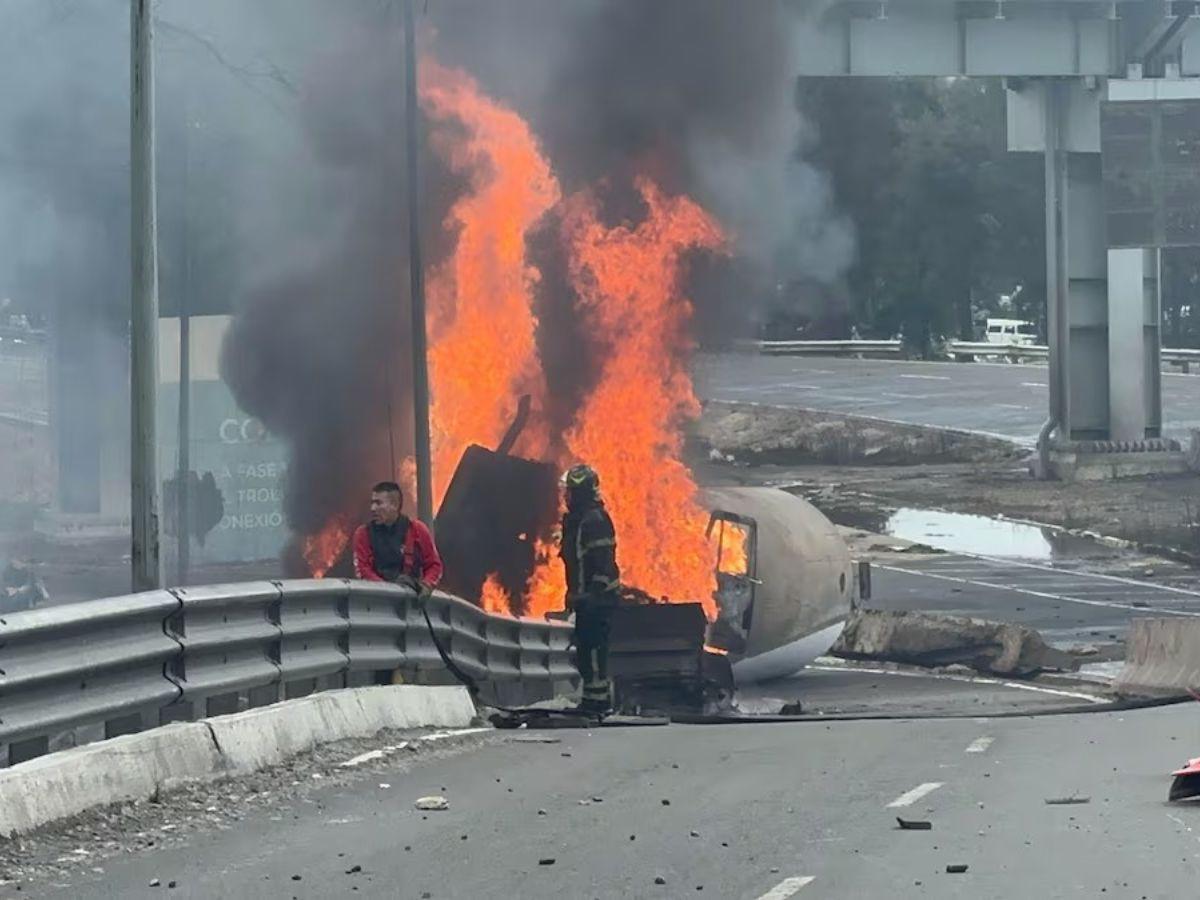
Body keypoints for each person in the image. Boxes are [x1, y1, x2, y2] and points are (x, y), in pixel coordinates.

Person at [560, 463, 620, 716]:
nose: (567, 496)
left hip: (598, 599)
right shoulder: (579, 521)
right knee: (586, 650)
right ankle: (592, 699)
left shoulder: (593, 521)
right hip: (586, 598)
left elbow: (602, 561)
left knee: (594, 650)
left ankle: (599, 702)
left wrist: (593, 593)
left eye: (572, 491)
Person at [352, 481, 443, 599]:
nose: (373, 508)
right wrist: (388, 590)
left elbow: (434, 565)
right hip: (375, 603)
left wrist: (426, 585)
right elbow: (362, 569)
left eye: (378, 503)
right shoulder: (363, 534)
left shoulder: (417, 530)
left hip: (411, 604)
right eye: (372, 503)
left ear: (394, 505)